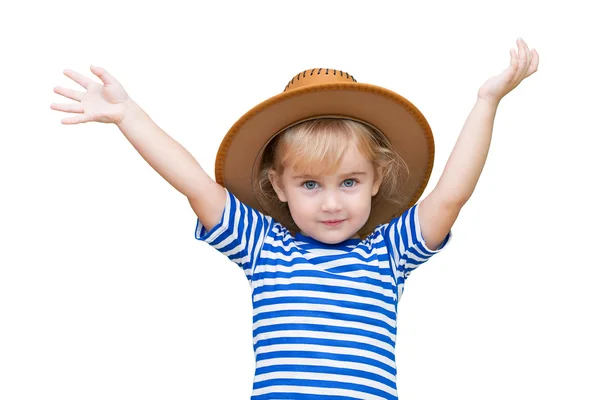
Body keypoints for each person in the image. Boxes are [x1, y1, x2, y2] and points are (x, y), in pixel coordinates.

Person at [51, 37, 538, 399]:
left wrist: (486, 102)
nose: (331, 203)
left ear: (376, 180)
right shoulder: (263, 246)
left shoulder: (388, 252)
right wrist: (129, 115)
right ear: (278, 187)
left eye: (348, 181)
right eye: (310, 184)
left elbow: (451, 196)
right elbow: (195, 184)